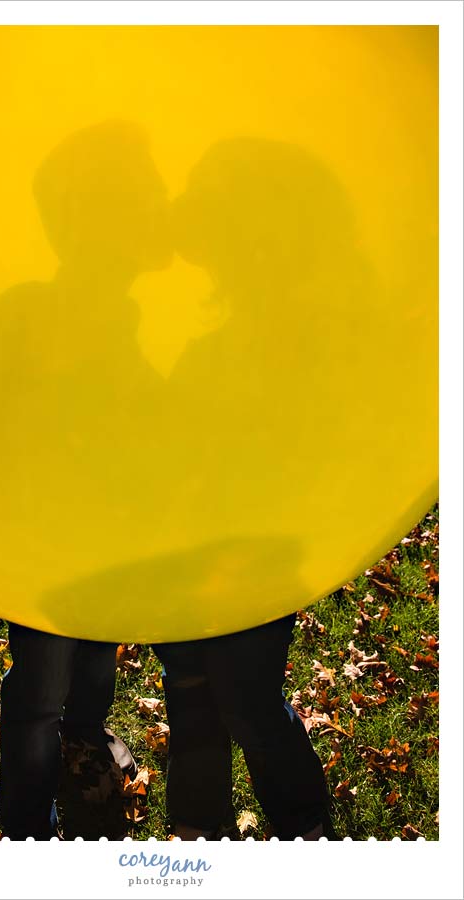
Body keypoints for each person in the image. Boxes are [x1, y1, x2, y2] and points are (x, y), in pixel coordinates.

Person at [0, 120, 172, 839]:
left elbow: (135, 427)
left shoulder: (125, 317)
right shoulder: (31, 314)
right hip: (41, 539)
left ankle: (84, 742)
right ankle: (26, 824)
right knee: (41, 686)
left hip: (103, 535)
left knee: (93, 660)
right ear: (83, 226)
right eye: (135, 206)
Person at [151, 138, 368, 840]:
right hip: (183, 546)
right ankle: (196, 840)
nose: (206, 251)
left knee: (244, 698)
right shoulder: (212, 344)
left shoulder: (308, 337)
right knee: (189, 694)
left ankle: (305, 831)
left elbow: (312, 449)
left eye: (219, 233)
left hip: (257, 552)